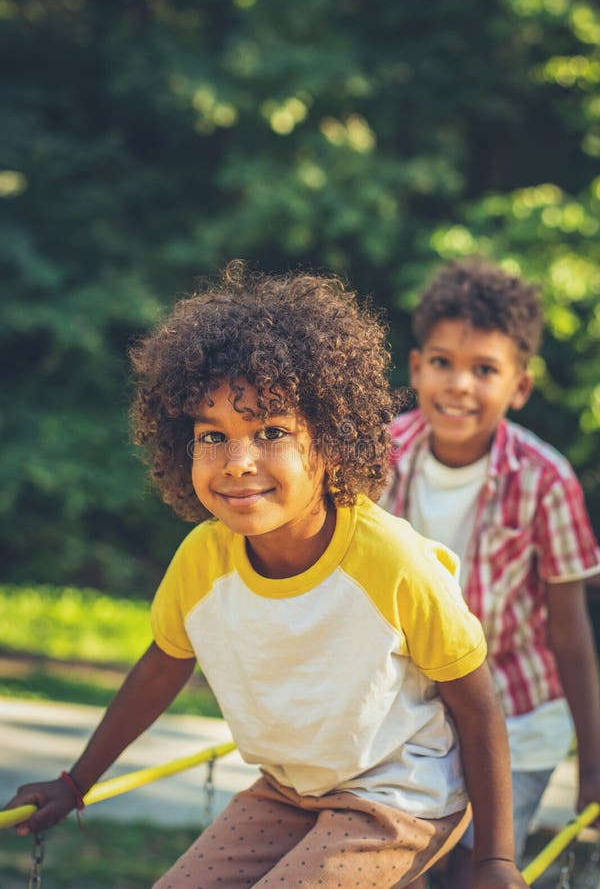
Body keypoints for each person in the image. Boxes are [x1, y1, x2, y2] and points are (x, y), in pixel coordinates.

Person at [4, 262, 527, 888]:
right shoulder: (203, 558)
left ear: (331, 440)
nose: (237, 461)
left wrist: (496, 861)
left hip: (398, 799)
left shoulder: (393, 563)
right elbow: (161, 666)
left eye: (272, 431)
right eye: (212, 436)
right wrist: (75, 781)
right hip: (288, 792)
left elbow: (477, 708)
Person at [381, 257, 600, 888]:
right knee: (394, 870)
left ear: (519, 387)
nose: (459, 385)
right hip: (407, 720)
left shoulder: (545, 479)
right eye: (444, 362)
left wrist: (593, 759)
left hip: (515, 721)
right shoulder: (378, 458)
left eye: (485, 370)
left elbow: (570, 633)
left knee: (473, 874)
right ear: (417, 367)